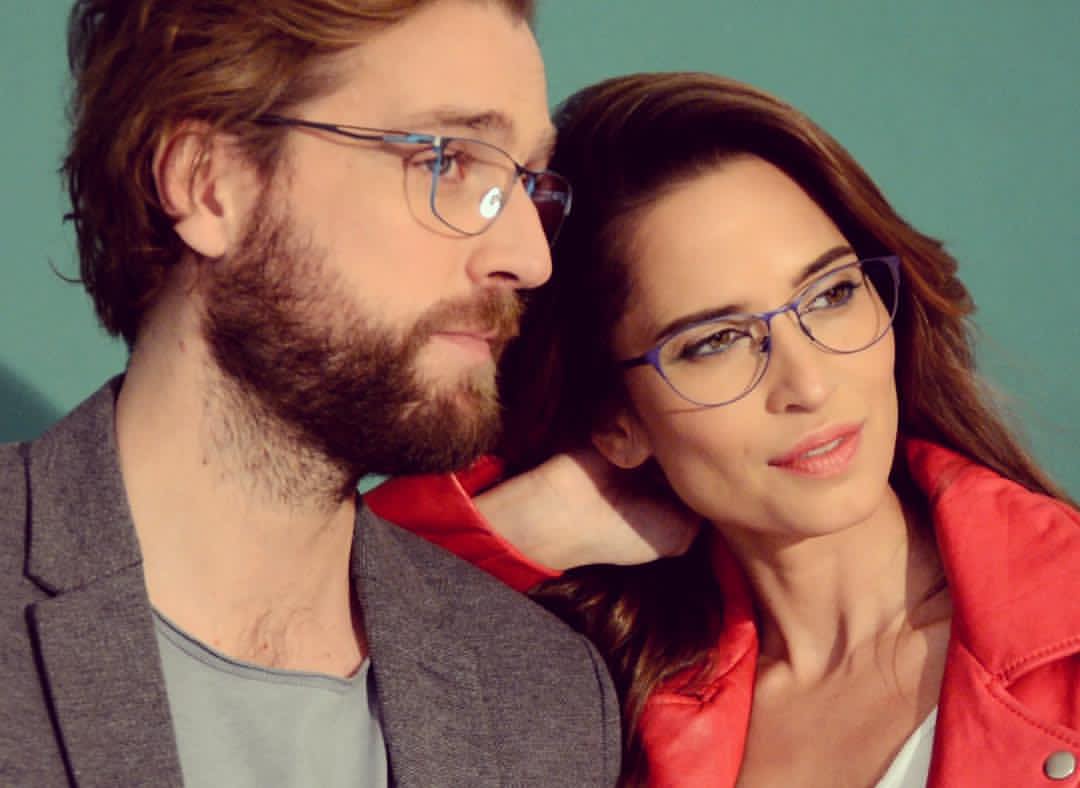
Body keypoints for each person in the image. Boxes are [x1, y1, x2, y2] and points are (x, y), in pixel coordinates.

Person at [368, 72, 1080, 787]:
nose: (808, 385)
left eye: (832, 294)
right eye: (714, 342)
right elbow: (331, 625)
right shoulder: (596, 717)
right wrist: (523, 530)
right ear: (616, 421)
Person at [0, 2, 622, 786]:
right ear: (209, 184)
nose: (529, 257)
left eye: (528, 182)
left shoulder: (543, 701)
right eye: (450, 162)